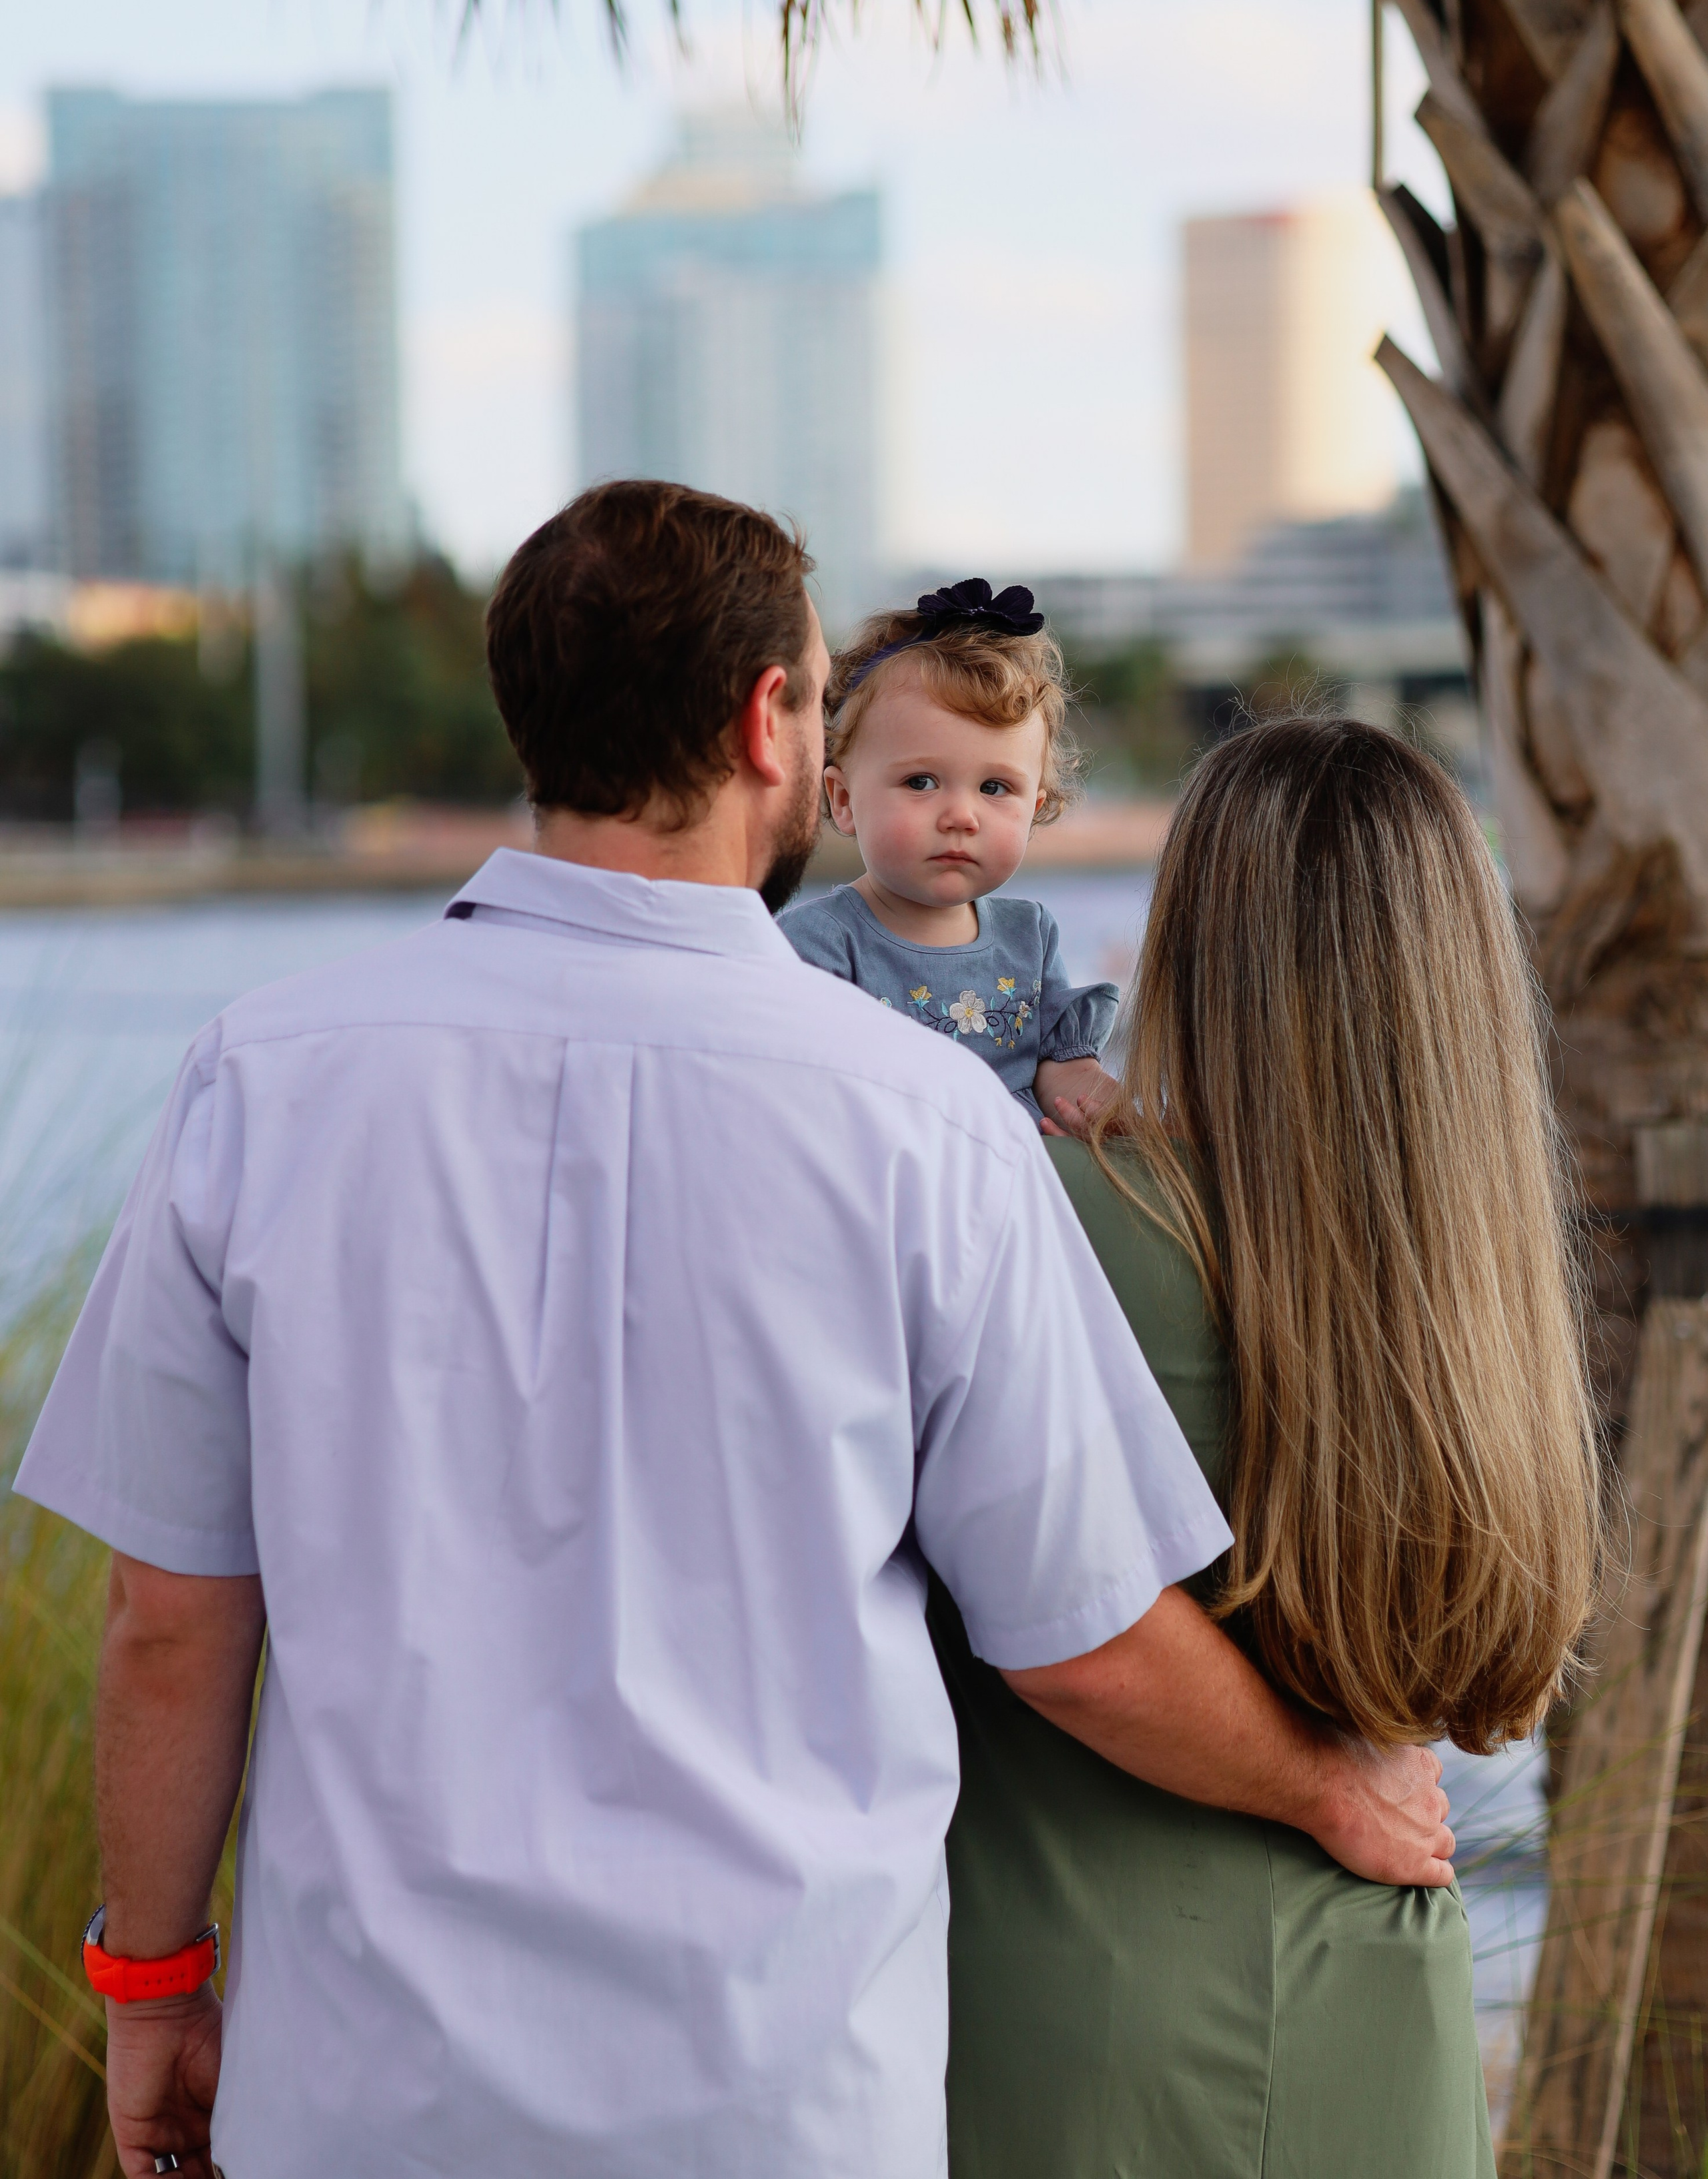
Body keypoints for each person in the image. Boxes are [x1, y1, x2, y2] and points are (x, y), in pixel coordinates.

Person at [15, 490, 1452, 2179]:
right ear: (770, 723)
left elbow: (171, 1621)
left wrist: (154, 1987)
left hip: (362, 2100)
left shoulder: (257, 1074)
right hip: (783, 2104)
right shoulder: (927, 1126)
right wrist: (1322, 1785)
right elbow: (1076, 1638)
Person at [932, 715, 1606, 2179]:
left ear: (1191, 946)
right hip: (1385, 2011)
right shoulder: (1478, 1293)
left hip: (1075, 2027)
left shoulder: (1060, 1222)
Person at [780, 580, 1119, 1129]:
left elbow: (1062, 1069)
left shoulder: (1029, 937)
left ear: (1033, 809)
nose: (961, 816)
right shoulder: (819, 946)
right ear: (843, 800)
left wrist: (1109, 1112)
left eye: (994, 788)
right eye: (921, 781)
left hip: (1015, 1193)